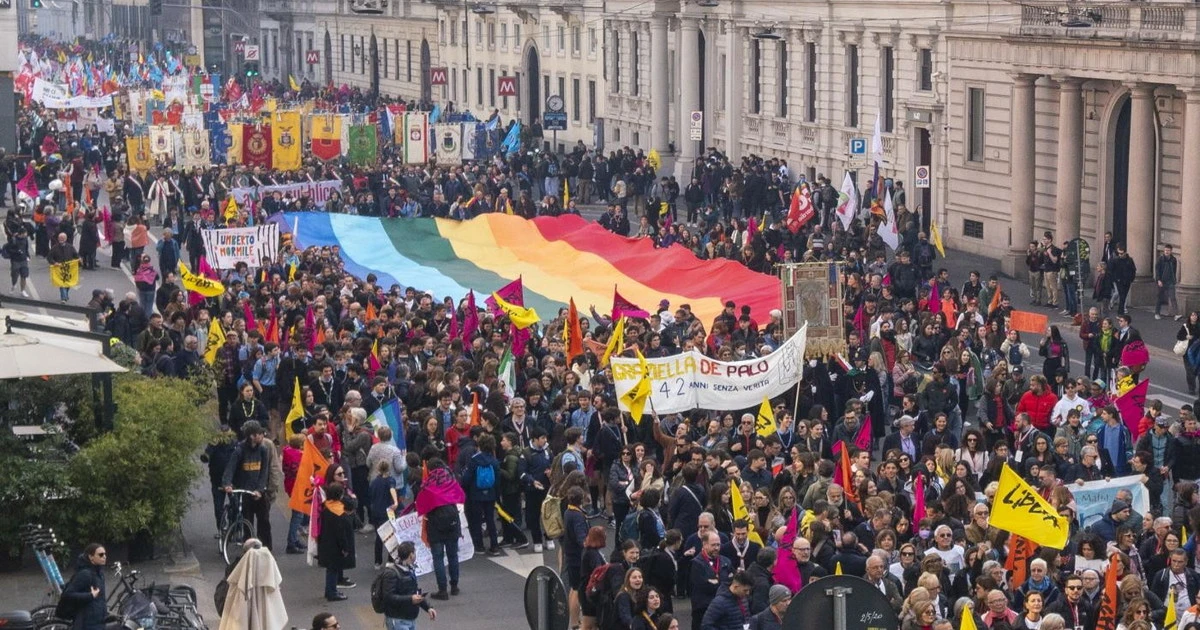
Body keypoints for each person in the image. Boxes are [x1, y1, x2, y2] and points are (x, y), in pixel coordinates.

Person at [222, 420, 274, 550]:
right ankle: (248, 549)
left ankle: (266, 548)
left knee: (264, 521)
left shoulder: (263, 450)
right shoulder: (240, 450)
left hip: (258, 491)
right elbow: (230, 468)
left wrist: (260, 490)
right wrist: (227, 483)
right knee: (247, 521)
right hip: (244, 491)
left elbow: (264, 472)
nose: (262, 436)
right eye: (259, 434)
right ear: (252, 436)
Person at [379, 540, 438, 630]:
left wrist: (428, 608)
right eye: (414, 552)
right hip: (398, 619)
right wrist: (410, 599)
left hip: (409, 618)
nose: (415, 555)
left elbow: (414, 592)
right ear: (411, 555)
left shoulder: (409, 570)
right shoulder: (391, 573)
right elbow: (388, 597)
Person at [462, 433, 501, 555]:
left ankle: (479, 546)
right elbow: (498, 480)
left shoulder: (474, 460)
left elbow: (467, 478)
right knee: (490, 519)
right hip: (490, 494)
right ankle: (494, 546)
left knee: (476, 520)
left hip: (475, 494)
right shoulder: (494, 461)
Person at [317, 481, 355, 602]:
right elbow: (341, 534)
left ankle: (329, 590)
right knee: (333, 570)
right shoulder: (339, 512)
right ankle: (332, 592)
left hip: (325, 543)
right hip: (335, 547)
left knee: (330, 569)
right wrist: (345, 548)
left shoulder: (326, 507)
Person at [57, 543, 109, 630]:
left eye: (105, 554)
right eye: (100, 554)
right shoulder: (85, 574)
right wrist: (90, 595)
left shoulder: (99, 573)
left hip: (98, 620)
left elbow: (100, 599)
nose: (104, 557)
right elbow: (67, 594)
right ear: (91, 557)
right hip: (87, 622)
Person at [47, 231, 78, 303]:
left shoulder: (70, 247)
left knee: (68, 283)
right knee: (62, 283)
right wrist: (54, 263)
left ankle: (65, 294)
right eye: (60, 238)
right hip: (59, 269)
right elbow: (49, 257)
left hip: (68, 269)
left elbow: (76, 255)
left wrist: (79, 259)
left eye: (63, 238)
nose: (61, 239)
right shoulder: (55, 248)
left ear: (66, 239)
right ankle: (63, 298)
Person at [3, 223, 30, 296]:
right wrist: (17, 251)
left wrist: (28, 256)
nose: (26, 234)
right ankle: (13, 285)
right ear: (21, 234)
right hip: (15, 260)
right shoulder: (13, 240)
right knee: (14, 276)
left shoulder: (25, 239)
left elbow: (26, 248)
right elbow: (8, 250)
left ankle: (23, 290)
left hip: (24, 260)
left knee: (24, 275)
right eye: (25, 233)